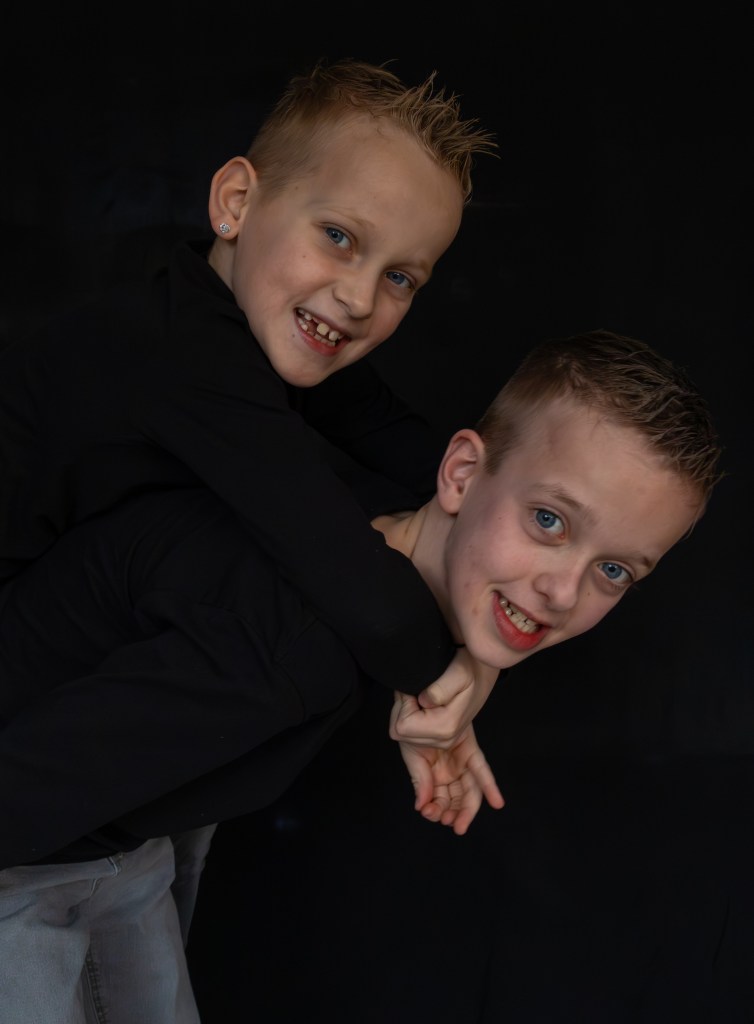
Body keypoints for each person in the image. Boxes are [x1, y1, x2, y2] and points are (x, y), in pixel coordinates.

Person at [0, 330, 722, 1024]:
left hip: (120, 841)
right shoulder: (288, 652)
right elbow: (26, 789)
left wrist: (457, 665)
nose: (563, 592)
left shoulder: (370, 515)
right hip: (33, 855)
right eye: (549, 521)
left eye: (614, 570)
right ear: (460, 474)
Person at [0, 56, 500, 749]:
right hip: (18, 663)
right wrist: (470, 665)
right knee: (300, 583)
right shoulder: (183, 352)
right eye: (339, 237)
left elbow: (462, 487)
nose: (359, 299)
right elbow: (371, 604)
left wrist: (479, 636)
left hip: (74, 638)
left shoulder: (264, 324)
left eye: (400, 278)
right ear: (236, 203)